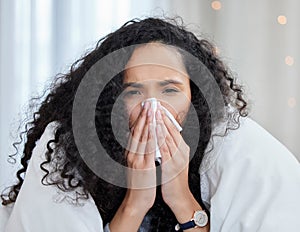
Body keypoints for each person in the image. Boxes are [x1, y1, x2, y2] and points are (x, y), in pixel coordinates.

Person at [1, 17, 300, 232]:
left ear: (195, 98)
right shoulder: (72, 151)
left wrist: (180, 195)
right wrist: (136, 200)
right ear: (111, 99)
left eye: (170, 90)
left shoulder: (226, 144)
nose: (152, 107)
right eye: (133, 91)